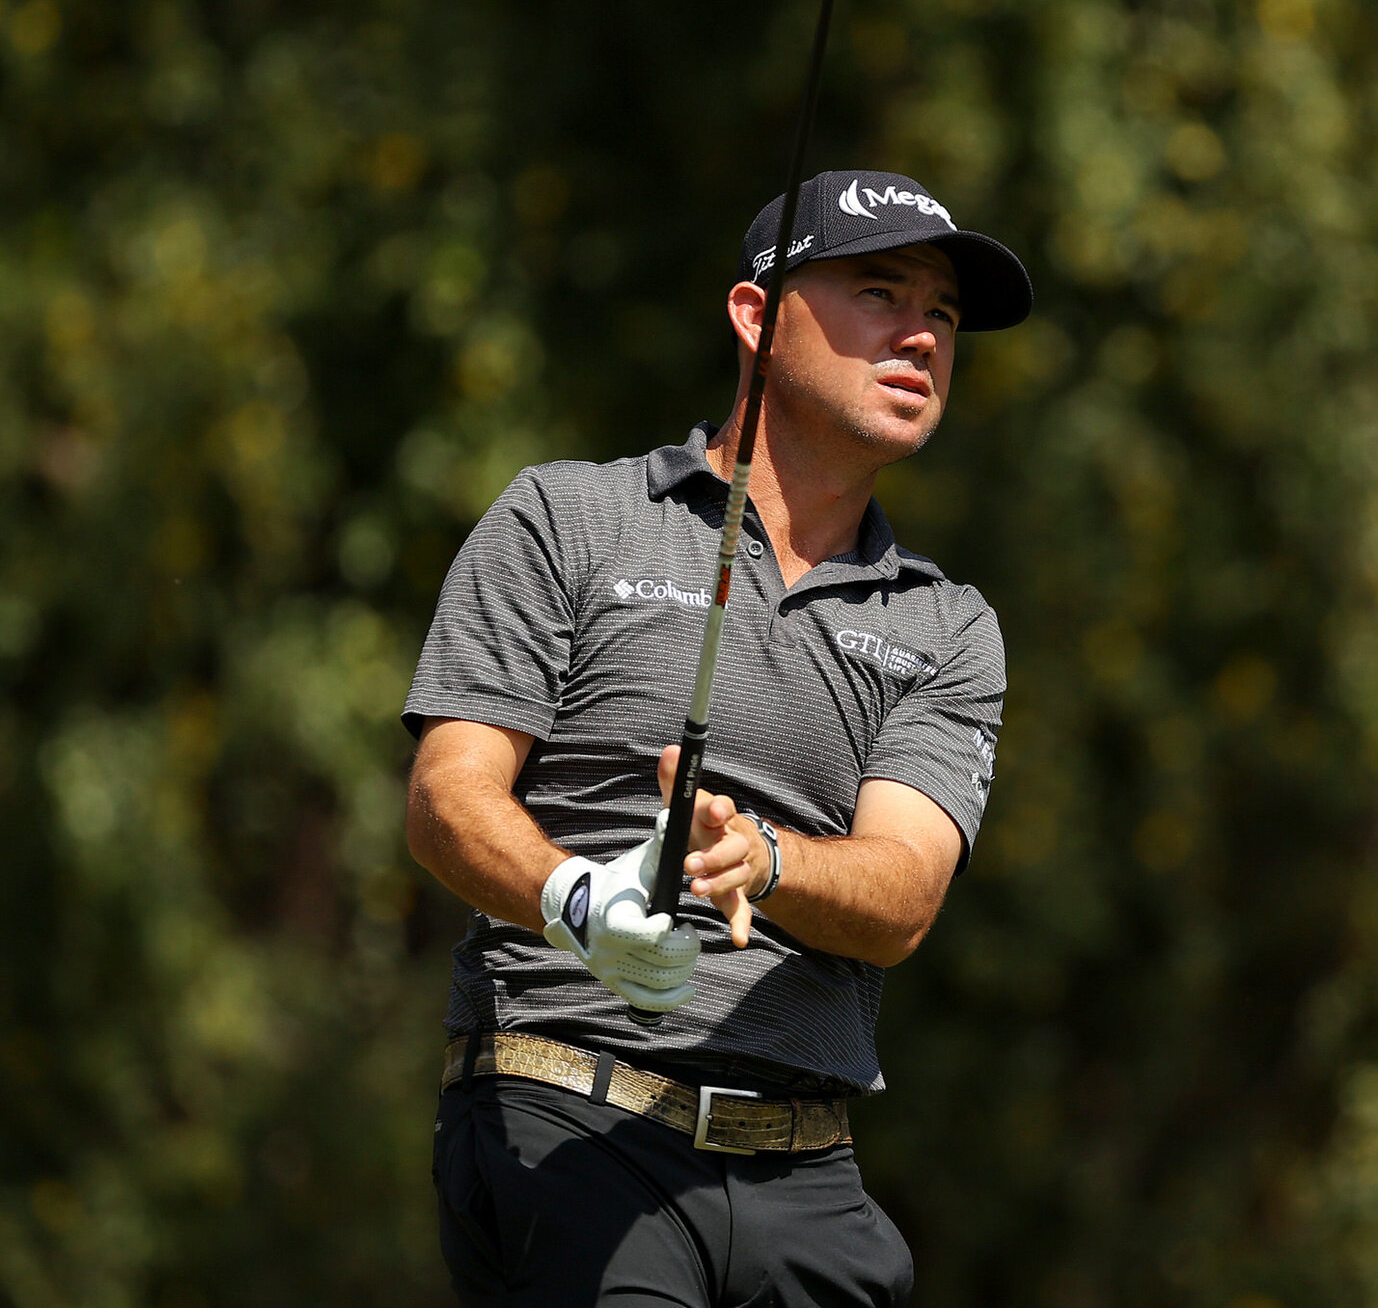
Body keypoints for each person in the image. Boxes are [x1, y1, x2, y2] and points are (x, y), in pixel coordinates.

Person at [402, 169, 1031, 1307]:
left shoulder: (948, 627)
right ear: (755, 316)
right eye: (880, 293)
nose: (922, 336)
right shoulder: (566, 518)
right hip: (571, 1119)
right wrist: (571, 898)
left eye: (941, 314)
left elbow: (903, 897)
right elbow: (447, 797)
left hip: (811, 1175)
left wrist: (768, 862)